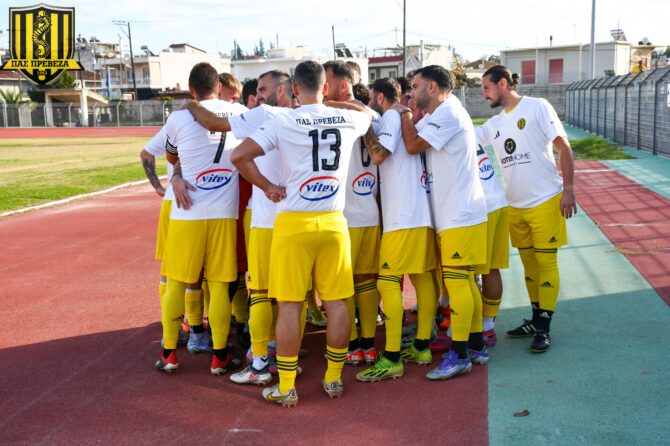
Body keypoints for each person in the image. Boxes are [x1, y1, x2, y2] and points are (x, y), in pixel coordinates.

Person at [231, 60, 371, 407]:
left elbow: (240, 156)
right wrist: (331, 102)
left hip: (294, 222)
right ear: (326, 87)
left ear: (294, 88)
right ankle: (334, 378)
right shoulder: (346, 117)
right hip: (334, 222)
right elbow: (365, 111)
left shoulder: (283, 119)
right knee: (337, 303)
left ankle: (287, 386)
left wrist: (268, 186)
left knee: (290, 307)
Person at [394, 65, 489, 380]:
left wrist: (403, 114)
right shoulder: (445, 111)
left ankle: (459, 354)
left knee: (459, 282)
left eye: (415, 86)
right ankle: (475, 345)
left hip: (459, 214)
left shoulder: (448, 112)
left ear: (432, 87)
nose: (411, 92)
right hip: (459, 213)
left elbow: (412, 145)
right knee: (465, 281)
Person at [477, 65, 576, 353]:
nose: (484, 94)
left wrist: (569, 188)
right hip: (514, 205)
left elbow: (564, 147)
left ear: (503, 83)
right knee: (529, 266)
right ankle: (535, 319)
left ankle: (544, 326)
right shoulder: (493, 124)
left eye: (486, 88)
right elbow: (464, 138)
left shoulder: (537, 107)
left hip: (545, 200)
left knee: (546, 264)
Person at [155, 62, 244, 374]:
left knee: (176, 283)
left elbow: (171, 155)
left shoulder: (179, 117)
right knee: (219, 285)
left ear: (191, 89)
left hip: (187, 211)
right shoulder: (239, 112)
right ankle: (219, 356)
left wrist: (178, 175)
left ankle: (169, 353)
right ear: (219, 87)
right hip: (224, 213)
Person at [355, 77, 438, 383]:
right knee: (422, 277)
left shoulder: (391, 115)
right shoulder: (402, 116)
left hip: (402, 217)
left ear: (379, 97)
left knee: (387, 282)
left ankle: (391, 359)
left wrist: (366, 127)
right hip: (419, 212)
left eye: (371, 98)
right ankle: (422, 347)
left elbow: (379, 154)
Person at [323, 60, 381, 367]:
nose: (322, 88)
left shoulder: (336, 114)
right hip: (369, 211)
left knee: (341, 286)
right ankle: (368, 345)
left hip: (345, 217)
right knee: (366, 282)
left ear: (343, 85)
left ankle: (351, 345)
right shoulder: (372, 114)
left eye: (327, 82)